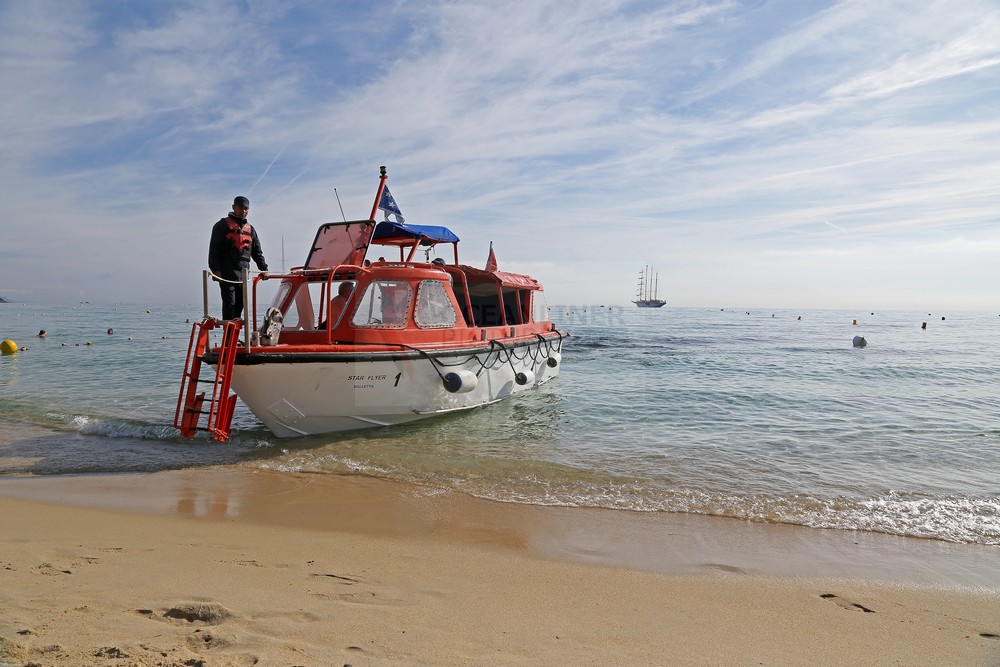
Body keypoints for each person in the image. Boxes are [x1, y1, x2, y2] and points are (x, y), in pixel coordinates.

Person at [208, 196, 268, 320]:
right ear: (233, 207)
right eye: (241, 208)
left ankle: (235, 336)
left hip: (243, 274)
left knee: (241, 305)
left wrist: (264, 268)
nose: (244, 211)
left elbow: (257, 252)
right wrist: (215, 270)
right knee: (230, 303)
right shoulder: (221, 225)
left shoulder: (251, 229)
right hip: (227, 273)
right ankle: (228, 335)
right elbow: (214, 249)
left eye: (246, 209)